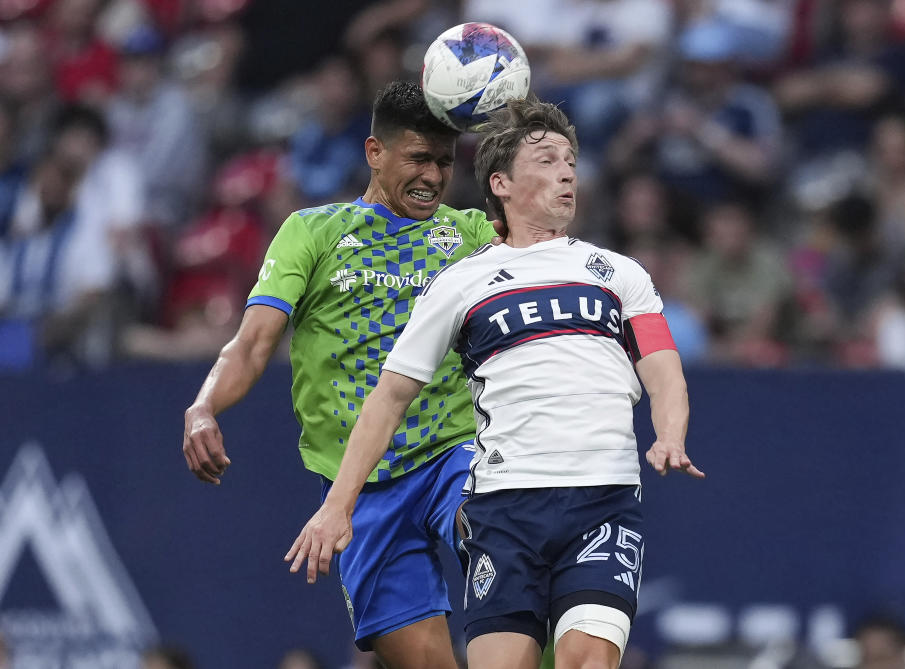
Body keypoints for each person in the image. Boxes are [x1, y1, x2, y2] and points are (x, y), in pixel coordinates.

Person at [287, 98, 703, 669]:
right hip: (502, 510)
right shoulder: (461, 282)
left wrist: (670, 432)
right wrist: (338, 506)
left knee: (586, 659)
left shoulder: (619, 273)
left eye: (571, 162)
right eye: (548, 159)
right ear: (501, 183)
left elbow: (662, 365)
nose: (566, 172)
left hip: (602, 500)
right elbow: (389, 399)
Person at [181, 80, 498, 669]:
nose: (432, 176)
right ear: (375, 152)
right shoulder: (313, 232)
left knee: (499, 537)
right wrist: (204, 407)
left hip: (454, 452)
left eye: (444, 162)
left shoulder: (472, 234)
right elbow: (252, 345)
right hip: (358, 488)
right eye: (418, 159)